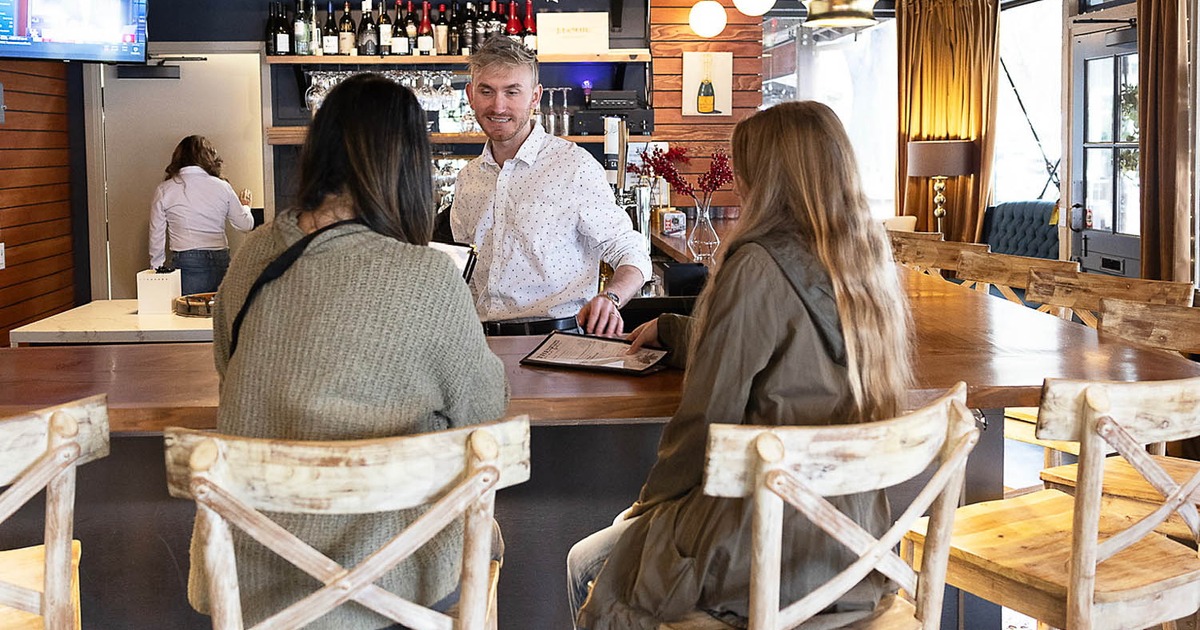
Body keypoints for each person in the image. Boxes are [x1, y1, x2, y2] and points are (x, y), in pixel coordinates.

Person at [568, 101, 914, 628]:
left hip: (764, 551)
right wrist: (673, 331)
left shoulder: (756, 264)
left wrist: (647, 505)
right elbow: (795, 346)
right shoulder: (863, 263)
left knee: (584, 561)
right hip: (857, 551)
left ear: (766, 177)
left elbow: (703, 423)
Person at [189, 74, 509, 630]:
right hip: (395, 582)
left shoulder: (252, 257)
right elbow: (484, 416)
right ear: (407, 166)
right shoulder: (429, 277)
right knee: (491, 539)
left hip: (251, 583)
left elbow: (228, 370)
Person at [451, 36, 652, 336]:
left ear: (535, 97)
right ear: (470, 95)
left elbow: (631, 251)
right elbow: (463, 273)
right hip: (481, 344)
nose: (498, 105)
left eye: (512, 92)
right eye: (486, 91)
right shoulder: (469, 178)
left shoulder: (573, 166)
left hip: (557, 342)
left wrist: (610, 298)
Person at [148, 135, 255, 295]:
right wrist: (246, 207)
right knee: (219, 316)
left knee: (186, 316)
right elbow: (246, 225)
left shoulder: (165, 190)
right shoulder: (222, 187)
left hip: (186, 261)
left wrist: (156, 271)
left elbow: (156, 236)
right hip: (221, 259)